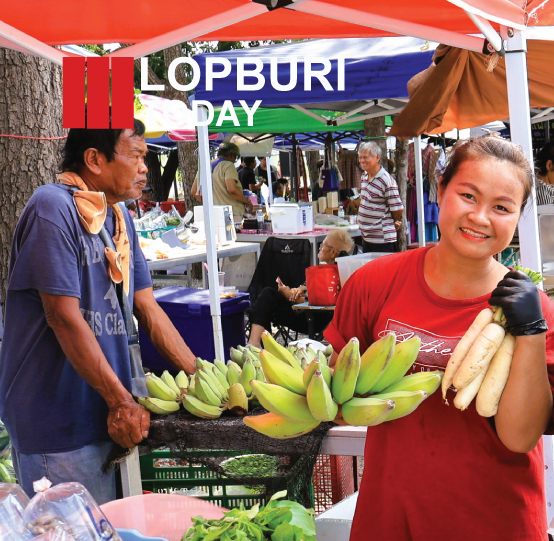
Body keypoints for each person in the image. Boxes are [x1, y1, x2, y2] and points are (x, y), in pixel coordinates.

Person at [328, 136, 554, 541]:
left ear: (518, 218)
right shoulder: (375, 283)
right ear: (441, 190)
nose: (480, 217)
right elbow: (338, 393)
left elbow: (520, 436)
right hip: (394, 530)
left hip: (495, 540)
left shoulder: (534, 309)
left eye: (502, 207)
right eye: (468, 196)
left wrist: (529, 331)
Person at [0, 121, 198, 504]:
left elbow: (148, 307)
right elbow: (62, 316)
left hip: (107, 415)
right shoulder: (52, 207)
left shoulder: (118, 218)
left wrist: (201, 376)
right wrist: (120, 401)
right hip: (59, 423)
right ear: (94, 159)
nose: (144, 167)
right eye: (136, 155)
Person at [246, 228, 355, 348]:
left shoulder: (330, 275)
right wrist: (297, 290)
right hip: (312, 315)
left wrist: (290, 295)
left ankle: (255, 344)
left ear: (333, 252)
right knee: (264, 300)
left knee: (266, 297)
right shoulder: (340, 272)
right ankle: (258, 344)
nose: (320, 248)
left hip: (314, 319)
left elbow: (315, 302)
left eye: (323, 245)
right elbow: (306, 289)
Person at [356, 141, 405, 253]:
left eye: (365, 157)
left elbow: (398, 208)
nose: (362, 161)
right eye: (360, 157)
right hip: (367, 238)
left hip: (382, 240)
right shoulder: (364, 176)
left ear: (377, 157)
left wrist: (389, 220)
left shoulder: (386, 180)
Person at [190, 142, 253, 220]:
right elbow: (232, 189)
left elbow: (194, 191)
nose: (234, 160)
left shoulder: (205, 167)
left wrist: (210, 203)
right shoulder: (228, 165)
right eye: (235, 157)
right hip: (231, 214)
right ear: (232, 154)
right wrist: (246, 201)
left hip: (214, 214)